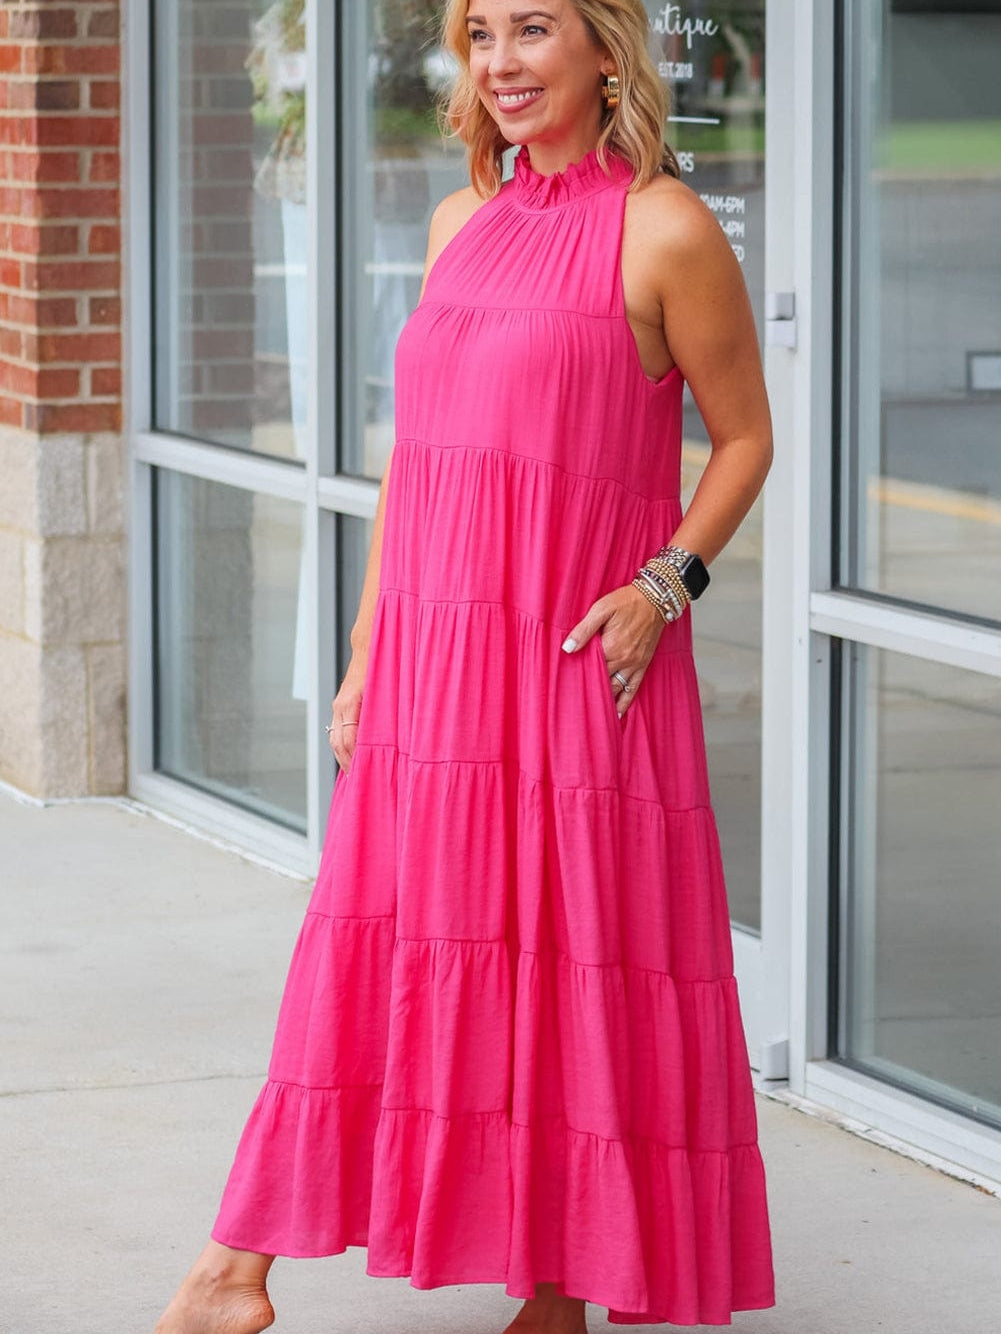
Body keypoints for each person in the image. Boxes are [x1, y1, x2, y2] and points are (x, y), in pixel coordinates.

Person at [154, 1, 775, 1330]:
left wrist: (661, 590)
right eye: (477, 33)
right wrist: (372, 645)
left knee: (570, 957)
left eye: (530, 29)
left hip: (570, 656)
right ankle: (235, 1262)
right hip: (436, 665)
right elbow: (419, 465)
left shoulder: (663, 228)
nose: (496, 61)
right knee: (375, 945)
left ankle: (553, 1293)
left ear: (603, 51)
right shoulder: (455, 224)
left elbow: (744, 442)